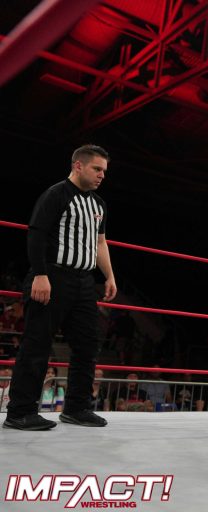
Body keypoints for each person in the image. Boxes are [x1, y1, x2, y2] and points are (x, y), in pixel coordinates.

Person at [3, 145, 115, 430]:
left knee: (88, 345)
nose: (102, 175)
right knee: (37, 344)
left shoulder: (99, 204)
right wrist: (41, 274)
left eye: (104, 170)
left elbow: (100, 243)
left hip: (84, 282)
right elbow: (36, 234)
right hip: (53, 275)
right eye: (97, 169)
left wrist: (110, 276)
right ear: (78, 165)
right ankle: (20, 412)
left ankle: (77, 408)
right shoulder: (56, 194)